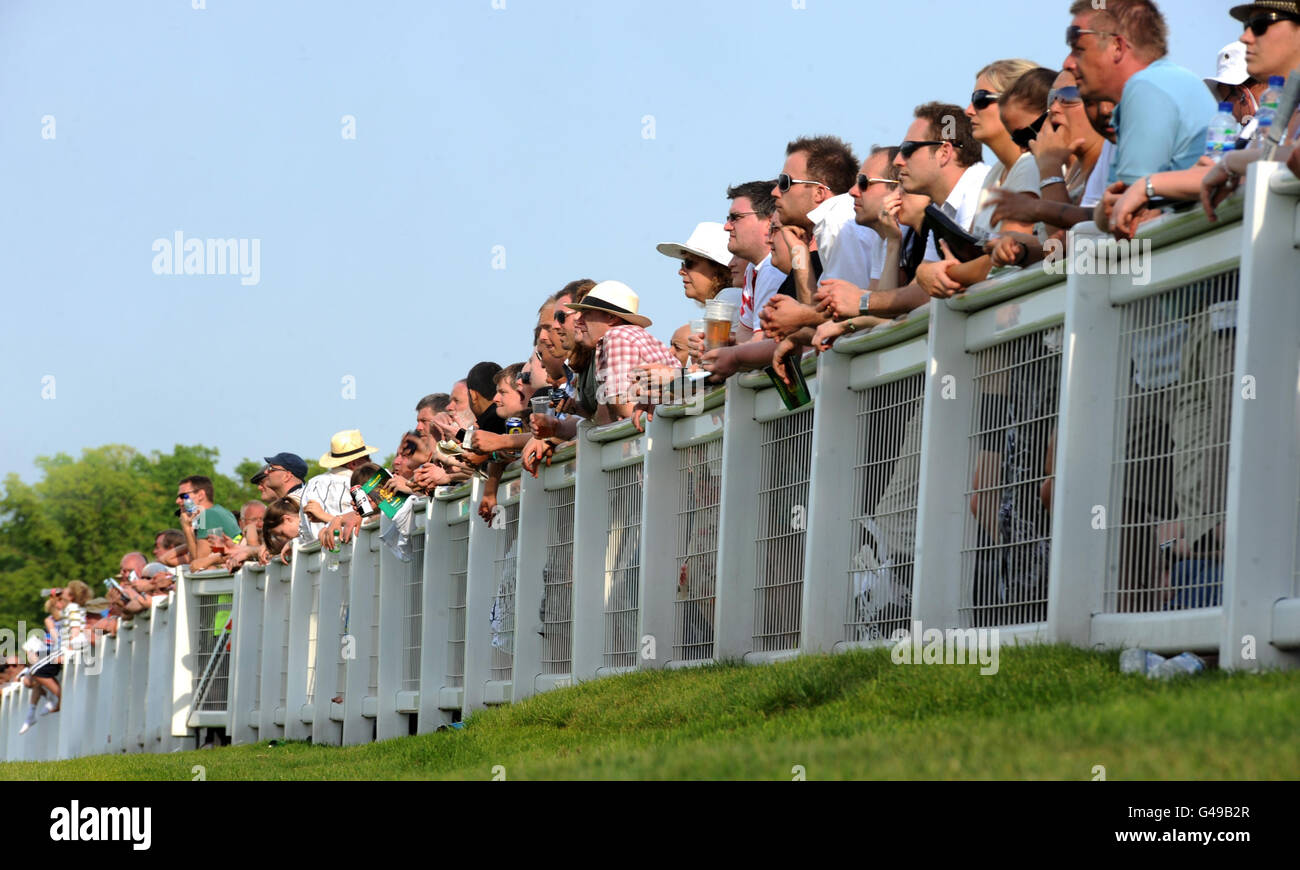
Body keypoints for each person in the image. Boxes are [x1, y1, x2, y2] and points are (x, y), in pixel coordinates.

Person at [723, 180, 787, 341]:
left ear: (769, 221)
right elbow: (745, 338)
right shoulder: (753, 268)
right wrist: (724, 346)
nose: (727, 226)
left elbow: (762, 342)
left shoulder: (772, 268)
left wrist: (721, 355)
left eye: (735, 217)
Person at [657, 222, 743, 327]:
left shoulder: (729, 297)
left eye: (689, 263)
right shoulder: (733, 297)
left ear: (719, 269)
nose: (681, 271)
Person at [306, 430, 378, 547]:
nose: (370, 461)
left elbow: (305, 532)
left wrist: (327, 517)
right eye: (367, 458)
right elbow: (363, 520)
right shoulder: (360, 485)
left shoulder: (311, 484)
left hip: (313, 558)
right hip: (357, 553)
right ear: (353, 464)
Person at [175, 476, 242, 571]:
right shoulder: (219, 511)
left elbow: (199, 565)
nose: (177, 501)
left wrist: (186, 527)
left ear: (201, 495)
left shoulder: (207, 515)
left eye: (183, 496)